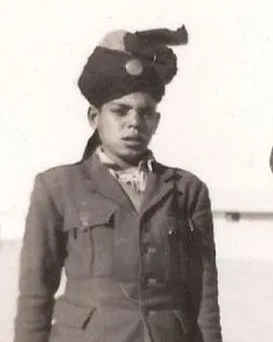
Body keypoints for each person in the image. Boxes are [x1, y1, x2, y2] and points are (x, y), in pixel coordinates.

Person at [14, 26, 223, 342]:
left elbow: (204, 293)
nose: (134, 122)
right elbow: (35, 295)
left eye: (145, 113)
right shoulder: (57, 187)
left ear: (156, 121)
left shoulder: (187, 190)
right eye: (120, 111)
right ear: (94, 117)